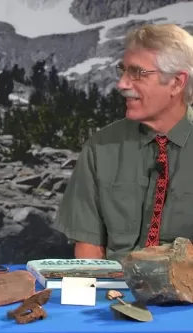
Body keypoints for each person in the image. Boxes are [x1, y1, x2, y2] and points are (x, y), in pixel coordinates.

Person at [54, 23, 193, 262]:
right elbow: (88, 246)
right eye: (123, 71)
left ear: (177, 83)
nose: (122, 84)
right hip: (114, 292)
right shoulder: (100, 147)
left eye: (137, 73)